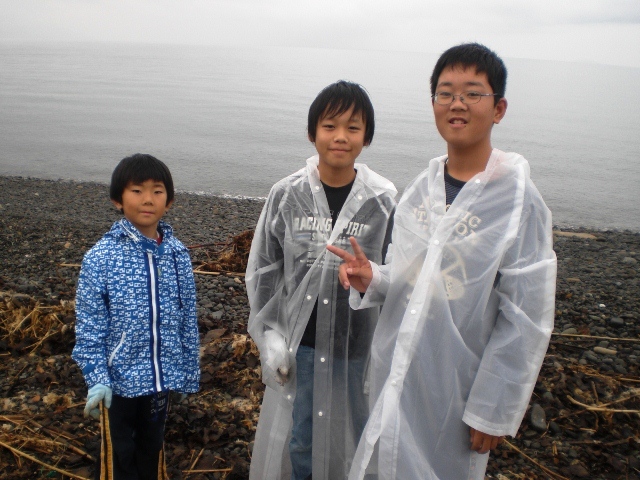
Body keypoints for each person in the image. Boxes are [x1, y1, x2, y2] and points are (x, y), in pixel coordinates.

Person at [327, 43, 557, 480]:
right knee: (385, 463)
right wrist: (373, 278)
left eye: (473, 93)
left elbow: (526, 314)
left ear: (499, 108)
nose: (457, 104)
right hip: (395, 368)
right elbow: (409, 276)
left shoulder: (517, 201)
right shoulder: (421, 189)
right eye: (446, 93)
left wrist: (493, 408)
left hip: (458, 383)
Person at [246, 80, 397, 480]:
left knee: (356, 431)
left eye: (353, 127)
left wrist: (373, 276)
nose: (340, 137)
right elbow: (265, 270)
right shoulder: (287, 194)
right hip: (303, 343)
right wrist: (271, 336)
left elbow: (395, 273)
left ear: (367, 136)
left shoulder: (381, 200)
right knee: (302, 436)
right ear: (312, 133)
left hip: (357, 343)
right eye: (330, 126)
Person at [72, 153, 200, 480]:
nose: (147, 199)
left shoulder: (178, 254)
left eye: (157, 191)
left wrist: (187, 372)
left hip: (161, 380)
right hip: (118, 381)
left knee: (151, 449)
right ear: (118, 199)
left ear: (169, 201)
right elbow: (89, 325)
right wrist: (97, 378)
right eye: (137, 190)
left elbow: (187, 319)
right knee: (119, 456)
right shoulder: (101, 257)